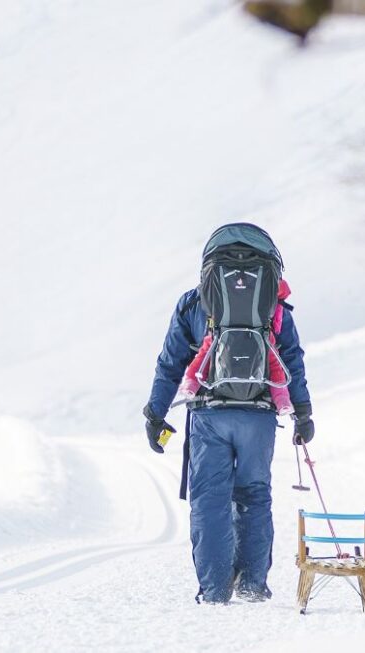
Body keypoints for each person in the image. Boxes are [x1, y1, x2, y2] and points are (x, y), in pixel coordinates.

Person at [143, 223, 314, 604]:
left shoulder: (194, 302)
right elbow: (292, 360)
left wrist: (156, 413)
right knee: (254, 494)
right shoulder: (274, 303)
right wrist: (302, 412)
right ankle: (252, 582)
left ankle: (215, 589)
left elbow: (170, 362)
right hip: (259, 414)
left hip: (210, 414)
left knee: (209, 499)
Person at [178, 278, 295, 415]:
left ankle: (191, 384)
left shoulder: (222, 280)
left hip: (223, 327)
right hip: (259, 329)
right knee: (274, 363)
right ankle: (281, 399)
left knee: (205, 354)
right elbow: (283, 290)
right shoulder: (263, 279)